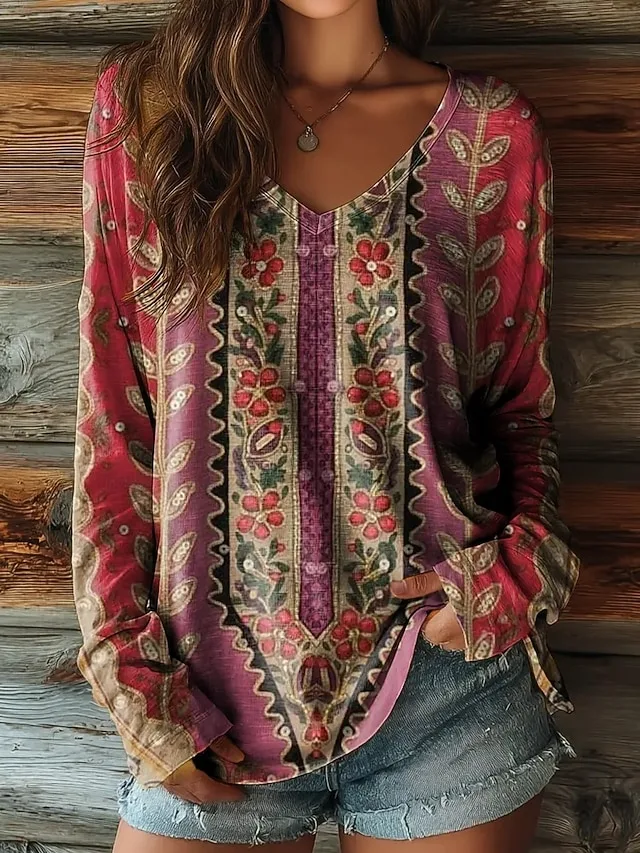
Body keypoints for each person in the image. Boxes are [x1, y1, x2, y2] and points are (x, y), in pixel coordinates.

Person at [71, 0, 581, 850]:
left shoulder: (493, 133)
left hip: (448, 684)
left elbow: (519, 407)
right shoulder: (151, 112)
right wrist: (130, 671)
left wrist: (522, 567)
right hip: (208, 693)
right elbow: (112, 411)